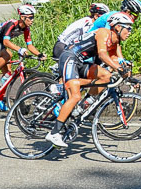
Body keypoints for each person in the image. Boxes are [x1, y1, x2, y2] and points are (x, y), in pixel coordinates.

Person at [46, 12, 135, 148]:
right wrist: (118, 67)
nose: (130, 32)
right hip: (70, 58)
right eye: (128, 28)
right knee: (75, 96)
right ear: (118, 27)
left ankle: (84, 104)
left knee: (106, 76)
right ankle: (54, 133)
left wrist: (125, 70)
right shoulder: (103, 33)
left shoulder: (115, 41)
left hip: (80, 62)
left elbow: (114, 60)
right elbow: (102, 54)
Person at [0, 5, 42, 93]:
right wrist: (20, 49)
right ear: (22, 17)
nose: (32, 20)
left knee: (7, 75)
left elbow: (30, 46)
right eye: (31, 17)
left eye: (33, 17)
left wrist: (39, 54)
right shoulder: (12, 24)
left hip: (0, 45)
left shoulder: (26, 29)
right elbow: (6, 42)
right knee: (8, 55)